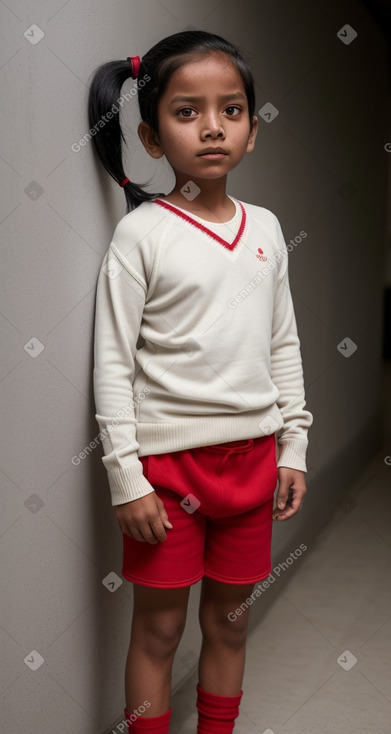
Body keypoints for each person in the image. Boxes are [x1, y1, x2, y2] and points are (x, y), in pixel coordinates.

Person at [89, 30, 313, 734]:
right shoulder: (142, 235)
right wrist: (126, 477)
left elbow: (281, 341)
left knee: (229, 625)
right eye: (186, 112)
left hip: (251, 465)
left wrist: (294, 445)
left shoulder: (267, 230)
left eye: (232, 110)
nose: (212, 127)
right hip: (165, 475)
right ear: (151, 138)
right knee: (158, 634)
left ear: (250, 130)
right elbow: (112, 363)